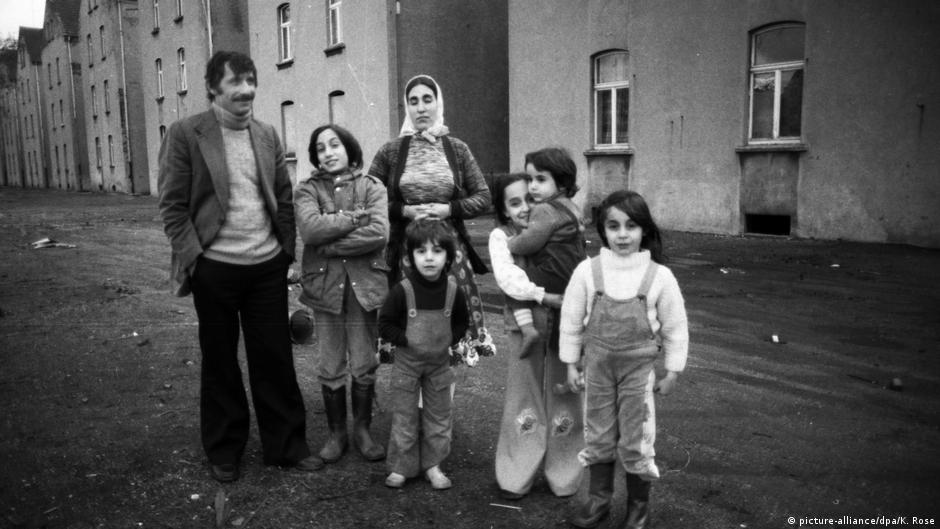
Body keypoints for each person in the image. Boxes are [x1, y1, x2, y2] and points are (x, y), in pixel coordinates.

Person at [157, 50, 322, 482]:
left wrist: (285, 252)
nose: (246, 90)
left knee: (275, 357)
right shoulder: (186, 134)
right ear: (214, 87)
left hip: (266, 267)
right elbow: (172, 207)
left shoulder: (266, 133)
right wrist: (196, 259)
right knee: (220, 361)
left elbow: (284, 199)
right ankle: (225, 450)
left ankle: (286, 445)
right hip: (215, 269)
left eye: (251, 80)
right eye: (236, 82)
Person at [559, 190, 689, 529]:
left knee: (638, 438)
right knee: (598, 435)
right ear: (603, 230)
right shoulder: (588, 272)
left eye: (631, 226)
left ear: (644, 229)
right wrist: (571, 363)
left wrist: (673, 370)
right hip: (597, 369)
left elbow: (676, 328)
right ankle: (599, 501)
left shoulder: (660, 277)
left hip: (638, 374)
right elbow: (571, 321)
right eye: (614, 226)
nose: (622, 234)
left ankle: (638, 508)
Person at [367, 74, 490, 345]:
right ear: (407, 108)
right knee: (412, 327)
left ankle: (444, 388)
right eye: (413, 101)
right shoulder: (390, 151)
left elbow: (483, 197)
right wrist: (404, 212)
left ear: (438, 103)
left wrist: (450, 209)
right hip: (406, 251)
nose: (421, 108)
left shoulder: (457, 149)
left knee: (448, 331)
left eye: (427, 99)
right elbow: (367, 200)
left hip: (449, 253)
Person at [294, 124, 389, 464]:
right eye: (321, 148)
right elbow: (309, 228)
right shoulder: (307, 189)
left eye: (335, 145)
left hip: (364, 287)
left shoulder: (372, 186)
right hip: (325, 289)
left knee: (364, 361)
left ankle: (362, 431)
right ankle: (337, 434)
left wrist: (330, 245)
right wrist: (351, 218)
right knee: (330, 363)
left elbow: (379, 232)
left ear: (349, 149)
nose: (329, 152)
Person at [490, 173, 584, 499]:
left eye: (529, 199)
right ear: (503, 211)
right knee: (523, 396)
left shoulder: (551, 228)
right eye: (515, 203)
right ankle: (517, 472)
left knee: (566, 394)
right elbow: (508, 278)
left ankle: (565, 473)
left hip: (563, 322)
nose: (525, 208)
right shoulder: (501, 237)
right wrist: (543, 295)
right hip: (524, 325)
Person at [377, 219, 469, 491]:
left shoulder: (454, 292)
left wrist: (451, 339)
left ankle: (433, 465)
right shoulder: (401, 291)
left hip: (440, 366)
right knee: (405, 418)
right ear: (410, 256)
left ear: (448, 257)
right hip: (407, 366)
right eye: (421, 251)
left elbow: (462, 322)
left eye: (438, 251)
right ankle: (401, 467)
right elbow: (385, 324)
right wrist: (405, 339)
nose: (429, 258)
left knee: (439, 417)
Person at [507, 148, 586, 357]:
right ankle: (562, 348)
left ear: (561, 182)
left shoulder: (545, 210)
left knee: (515, 281)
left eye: (540, 179)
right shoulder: (571, 206)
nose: (532, 186)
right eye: (529, 179)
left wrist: (510, 242)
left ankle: (527, 328)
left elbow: (528, 243)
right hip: (571, 271)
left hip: (553, 271)